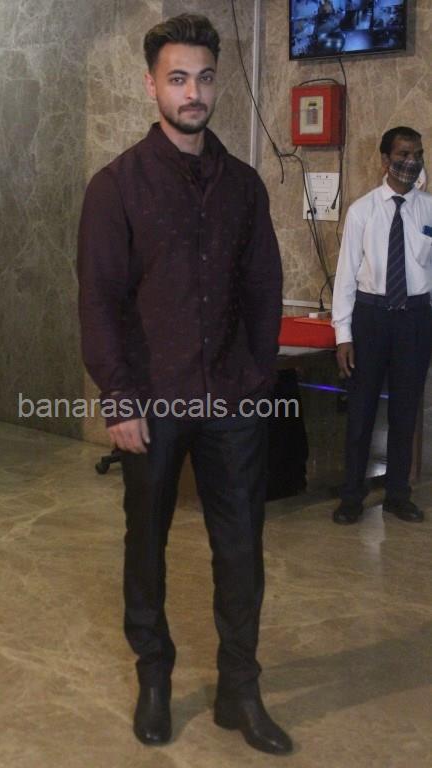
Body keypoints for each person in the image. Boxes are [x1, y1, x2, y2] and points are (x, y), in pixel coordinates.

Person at [78, 13, 292, 756]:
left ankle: (240, 689)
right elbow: (99, 301)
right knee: (147, 544)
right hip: (152, 403)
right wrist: (119, 399)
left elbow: (264, 285)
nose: (192, 92)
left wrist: (256, 377)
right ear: (152, 86)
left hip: (232, 400)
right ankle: (155, 677)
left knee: (241, 550)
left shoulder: (244, 187)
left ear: (216, 83)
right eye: (177, 79)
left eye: (203, 78)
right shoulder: (116, 187)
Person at [332, 126, 432, 525]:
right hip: (371, 319)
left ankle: (397, 494)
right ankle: (352, 496)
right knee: (361, 412)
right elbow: (345, 276)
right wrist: (343, 335)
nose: (411, 161)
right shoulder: (362, 211)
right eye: (403, 154)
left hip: (415, 320)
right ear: (385, 158)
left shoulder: (429, 209)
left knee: (406, 413)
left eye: (418, 154)